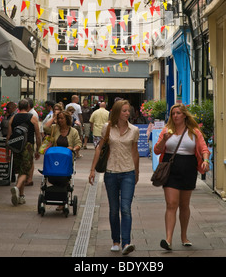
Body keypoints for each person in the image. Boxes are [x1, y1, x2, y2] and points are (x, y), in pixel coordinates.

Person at [153, 103, 210, 251]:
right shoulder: (166, 130)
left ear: (184, 115)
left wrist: (205, 160)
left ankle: (184, 236)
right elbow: (157, 150)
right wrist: (164, 139)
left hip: (188, 168)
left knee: (184, 205)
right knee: (171, 204)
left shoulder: (194, 131)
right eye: (173, 114)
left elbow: (204, 148)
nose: (175, 116)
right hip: (170, 168)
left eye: (178, 113)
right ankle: (168, 239)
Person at [89, 100, 139, 256]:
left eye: (128, 111)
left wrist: (136, 172)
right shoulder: (107, 128)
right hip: (110, 172)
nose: (127, 113)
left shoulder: (134, 130)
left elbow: (135, 152)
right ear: (117, 112)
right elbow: (99, 148)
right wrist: (92, 170)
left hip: (128, 172)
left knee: (125, 208)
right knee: (113, 209)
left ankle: (126, 243)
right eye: (124, 111)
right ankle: (115, 241)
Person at [43, 109, 81, 210]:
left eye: (61, 118)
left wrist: (73, 148)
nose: (59, 120)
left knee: (64, 178)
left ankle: (62, 200)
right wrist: (53, 118)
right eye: (58, 118)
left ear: (67, 119)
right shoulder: (55, 128)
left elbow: (78, 144)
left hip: (66, 160)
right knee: (53, 176)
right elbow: (45, 127)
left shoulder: (73, 131)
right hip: (55, 159)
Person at [6, 99, 41, 206]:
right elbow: (38, 136)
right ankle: (16, 188)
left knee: (20, 171)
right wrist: (38, 149)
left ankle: (21, 196)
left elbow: (8, 137)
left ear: (18, 107)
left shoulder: (13, 118)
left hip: (16, 147)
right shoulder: (33, 118)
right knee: (25, 172)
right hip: (28, 146)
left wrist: (7, 152)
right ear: (28, 107)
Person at [25, 98, 40, 186]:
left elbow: (36, 131)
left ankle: (29, 178)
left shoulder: (32, 114)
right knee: (29, 160)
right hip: (30, 140)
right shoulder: (31, 113)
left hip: (31, 140)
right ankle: (28, 178)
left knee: (30, 160)